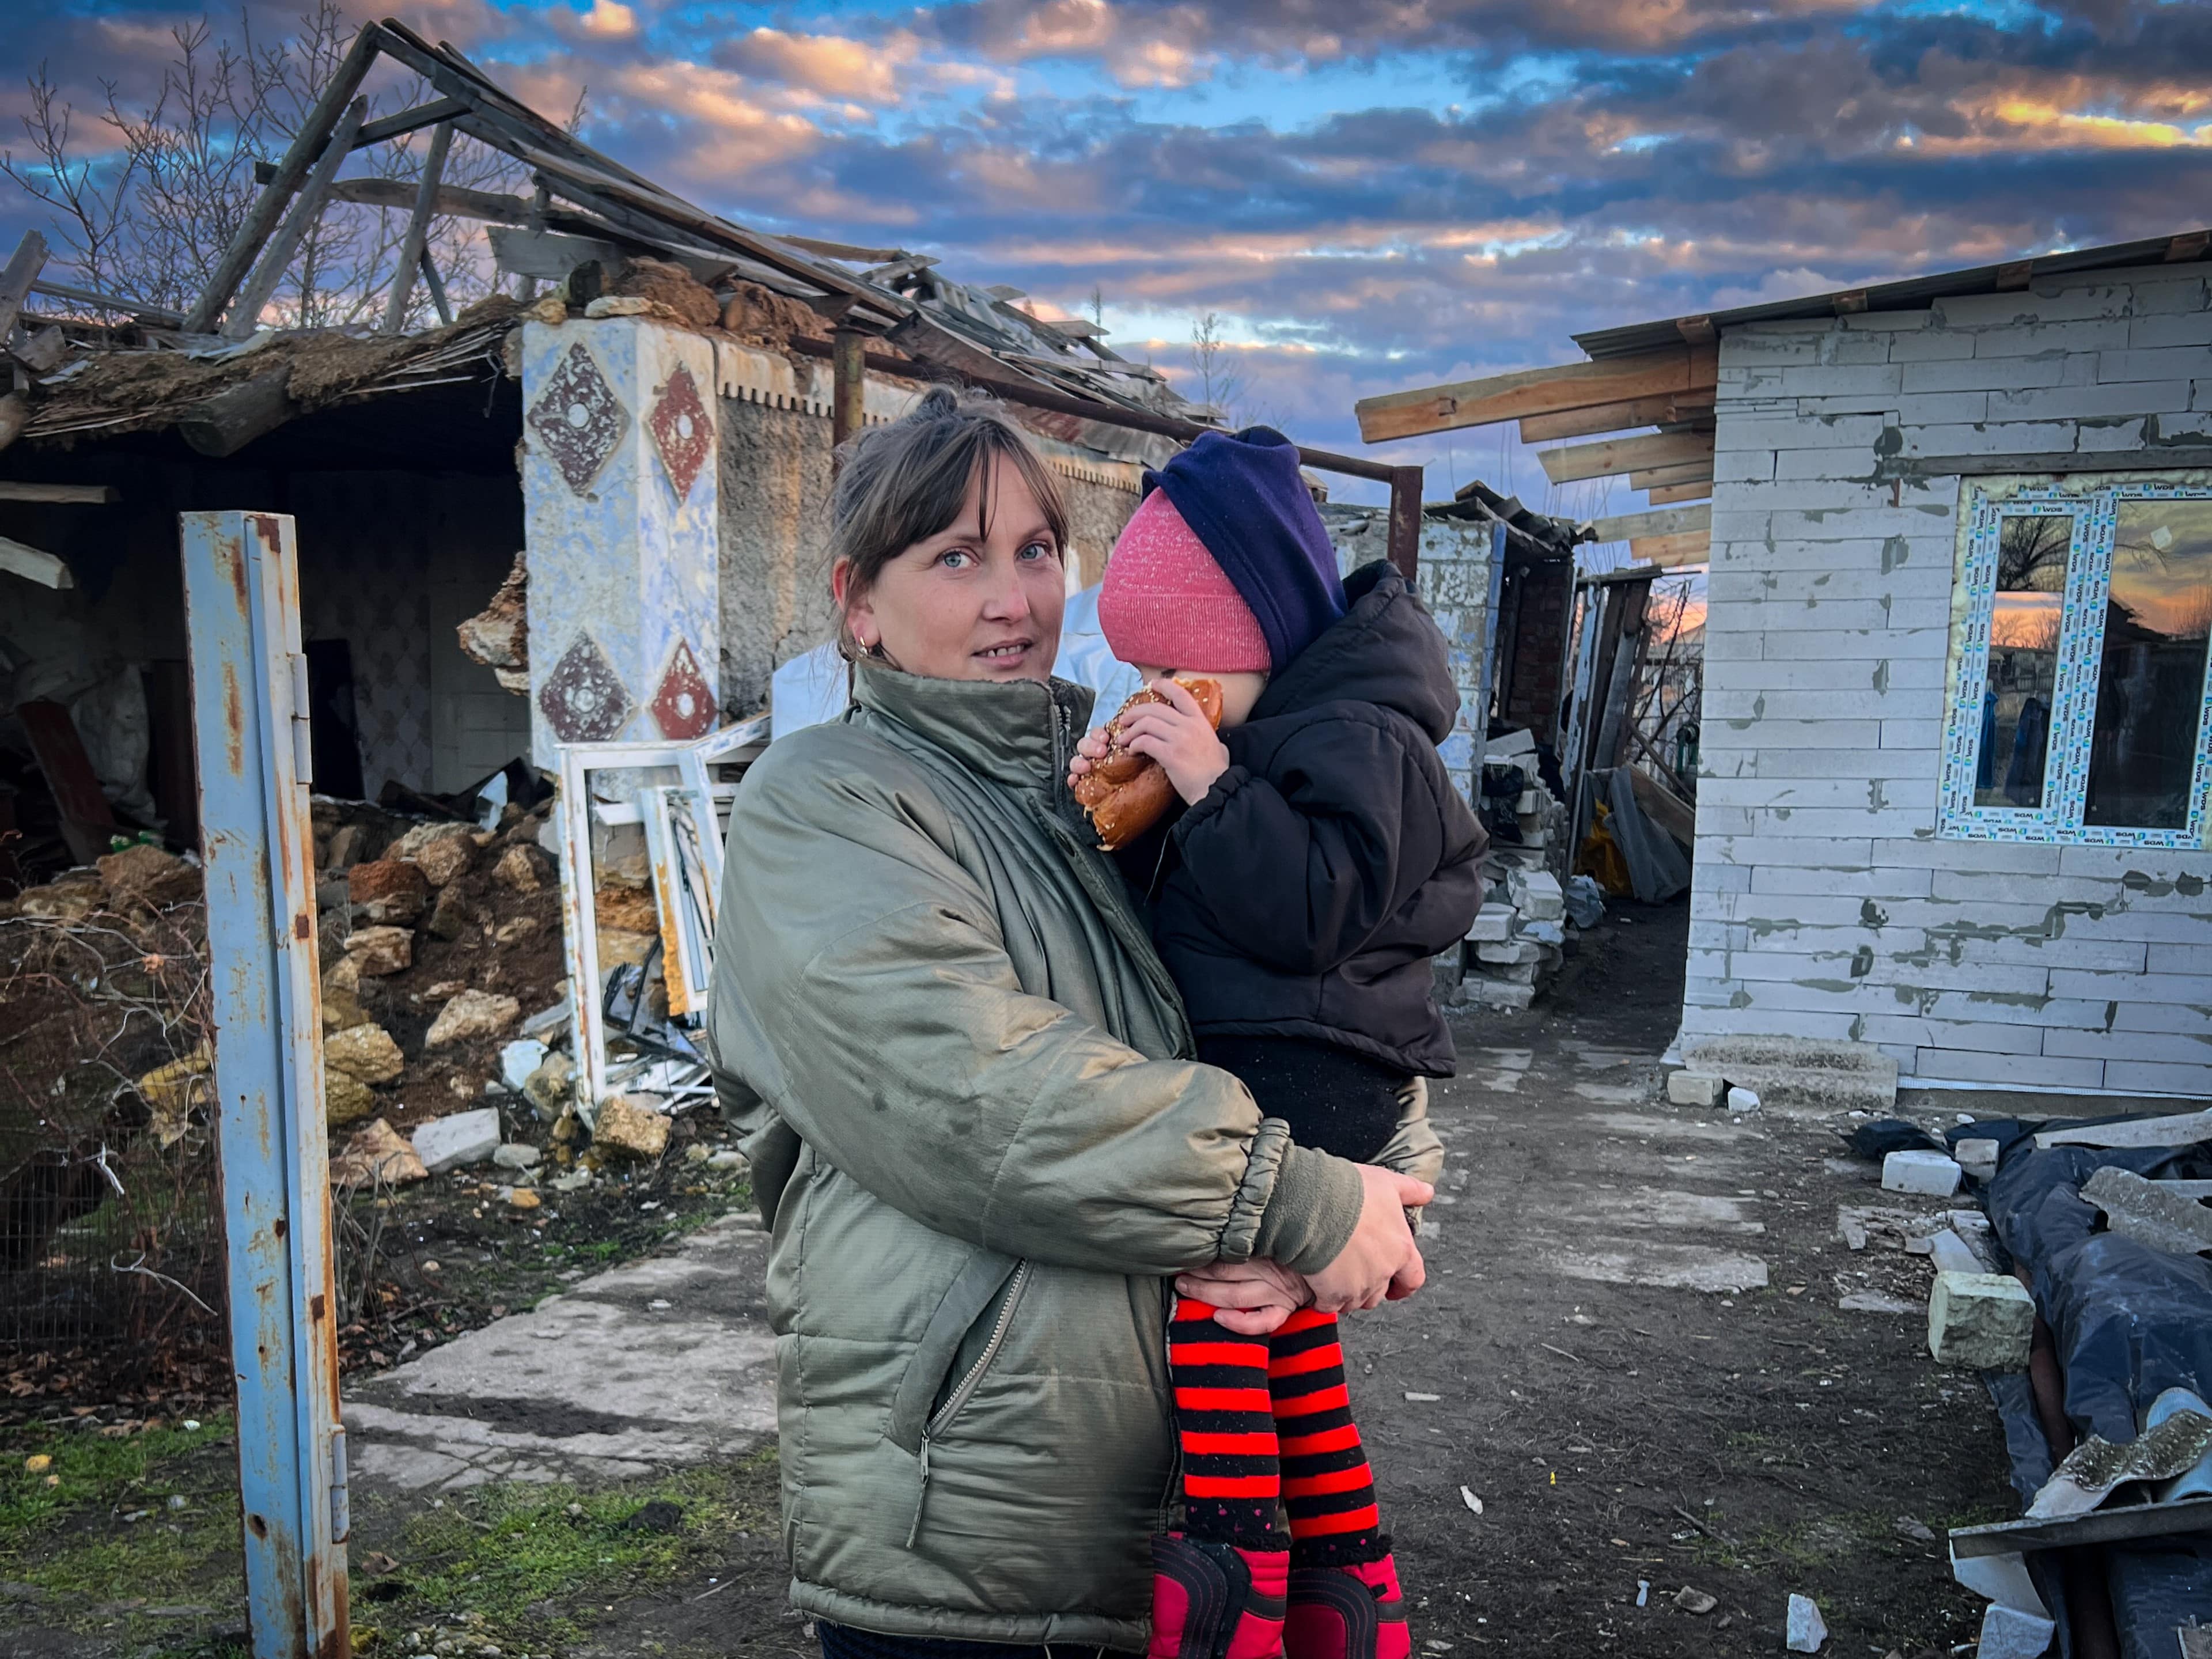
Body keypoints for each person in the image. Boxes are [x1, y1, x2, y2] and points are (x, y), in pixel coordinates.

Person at [706, 387, 1436, 1658]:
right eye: (956, 557)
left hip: (1169, 1509)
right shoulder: (826, 803)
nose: (1014, 601)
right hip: (966, 1530)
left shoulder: (1099, 802)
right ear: (858, 602)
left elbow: (1317, 1000)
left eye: (1035, 552)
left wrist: (1379, 1181)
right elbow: (981, 1096)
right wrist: (1297, 1201)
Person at [1070, 428, 1486, 1659]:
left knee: (1216, 1312)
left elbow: (1306, 914)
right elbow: (1192, 915)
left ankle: (1232, 1575)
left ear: (1255, 636)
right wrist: (1121, 805)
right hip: (1281, 1069)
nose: (1158, 687)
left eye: (1176, 660)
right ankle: (1347, 1587)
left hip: (1312, 1077)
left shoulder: (1360, 737)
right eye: (1140, 664)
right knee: (1283, 1337)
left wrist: (1209, 785)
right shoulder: (1263, 736)